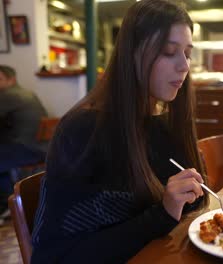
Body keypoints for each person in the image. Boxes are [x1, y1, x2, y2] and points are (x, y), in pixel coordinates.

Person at [31, 0, 208, 263]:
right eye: (169, 52)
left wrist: (182, 195)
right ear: (132, 53)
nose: (184, 66)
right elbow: (58, 255)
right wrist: (162, 213)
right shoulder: (84, 131)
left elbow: (191, 204)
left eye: (187, 53)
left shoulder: (164, 121)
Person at [0, 65, 47, 225]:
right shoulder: (28, 94)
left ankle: (6, 205)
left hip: (26, 150)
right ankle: (7, 204)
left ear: (11, 80)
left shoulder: (8, 95)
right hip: (40, 149)